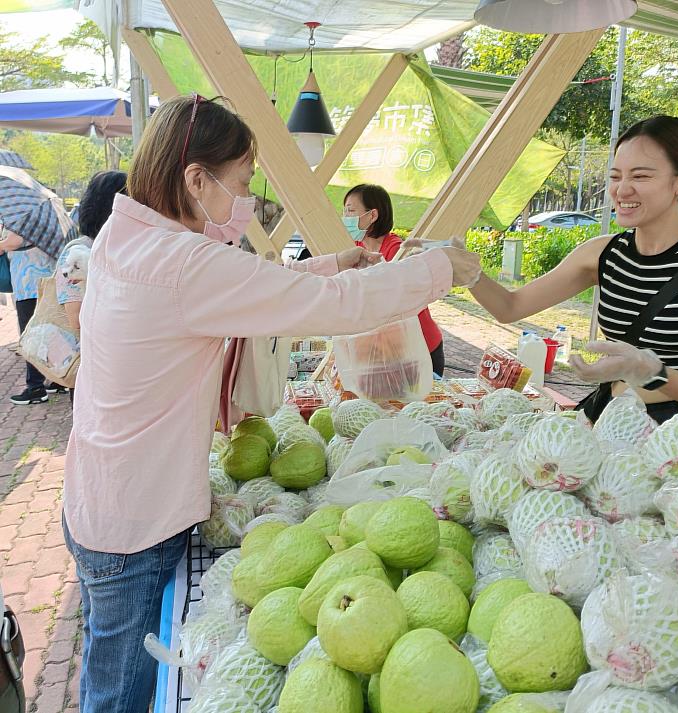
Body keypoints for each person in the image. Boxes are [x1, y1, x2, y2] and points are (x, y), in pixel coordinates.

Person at [61, 94, 480, 713]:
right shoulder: (180, 263)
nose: (248, 197)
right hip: (135, 518)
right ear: (195, 178)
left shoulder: (130, 238)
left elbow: (257, 291)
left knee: (107, 664)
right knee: (120, 692)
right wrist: (439, 267)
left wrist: (337, 263)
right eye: (241, 181)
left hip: (101, 497)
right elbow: (332, 307)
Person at [463, 115, 678, 428]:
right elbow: (511, 307)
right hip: (613, 424)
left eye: (640, 177)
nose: (622, 190)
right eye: (616, 176)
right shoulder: (603, 252)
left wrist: (649, 372)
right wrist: (469, 274)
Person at [343, 184, 446, 376]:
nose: (345, 218)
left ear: (372, 215)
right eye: (344, 211)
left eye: (350, 211)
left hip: (420, 348)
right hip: (388, 350)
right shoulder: (355, 247)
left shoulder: (397, 251)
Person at [55, 170, 127, 404]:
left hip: (117, 366)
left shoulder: (117, 249)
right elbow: (76, 320)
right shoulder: (77, 253)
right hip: (92, 370)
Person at [0, 224, 59, 405]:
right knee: (52, 332)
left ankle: (36, 387)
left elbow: (14, 241)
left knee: (30, 337)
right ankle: (59, 379)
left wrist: (2, 245)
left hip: (28, 283)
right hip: (48, 279)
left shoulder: (22, 219)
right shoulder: (46, 217)